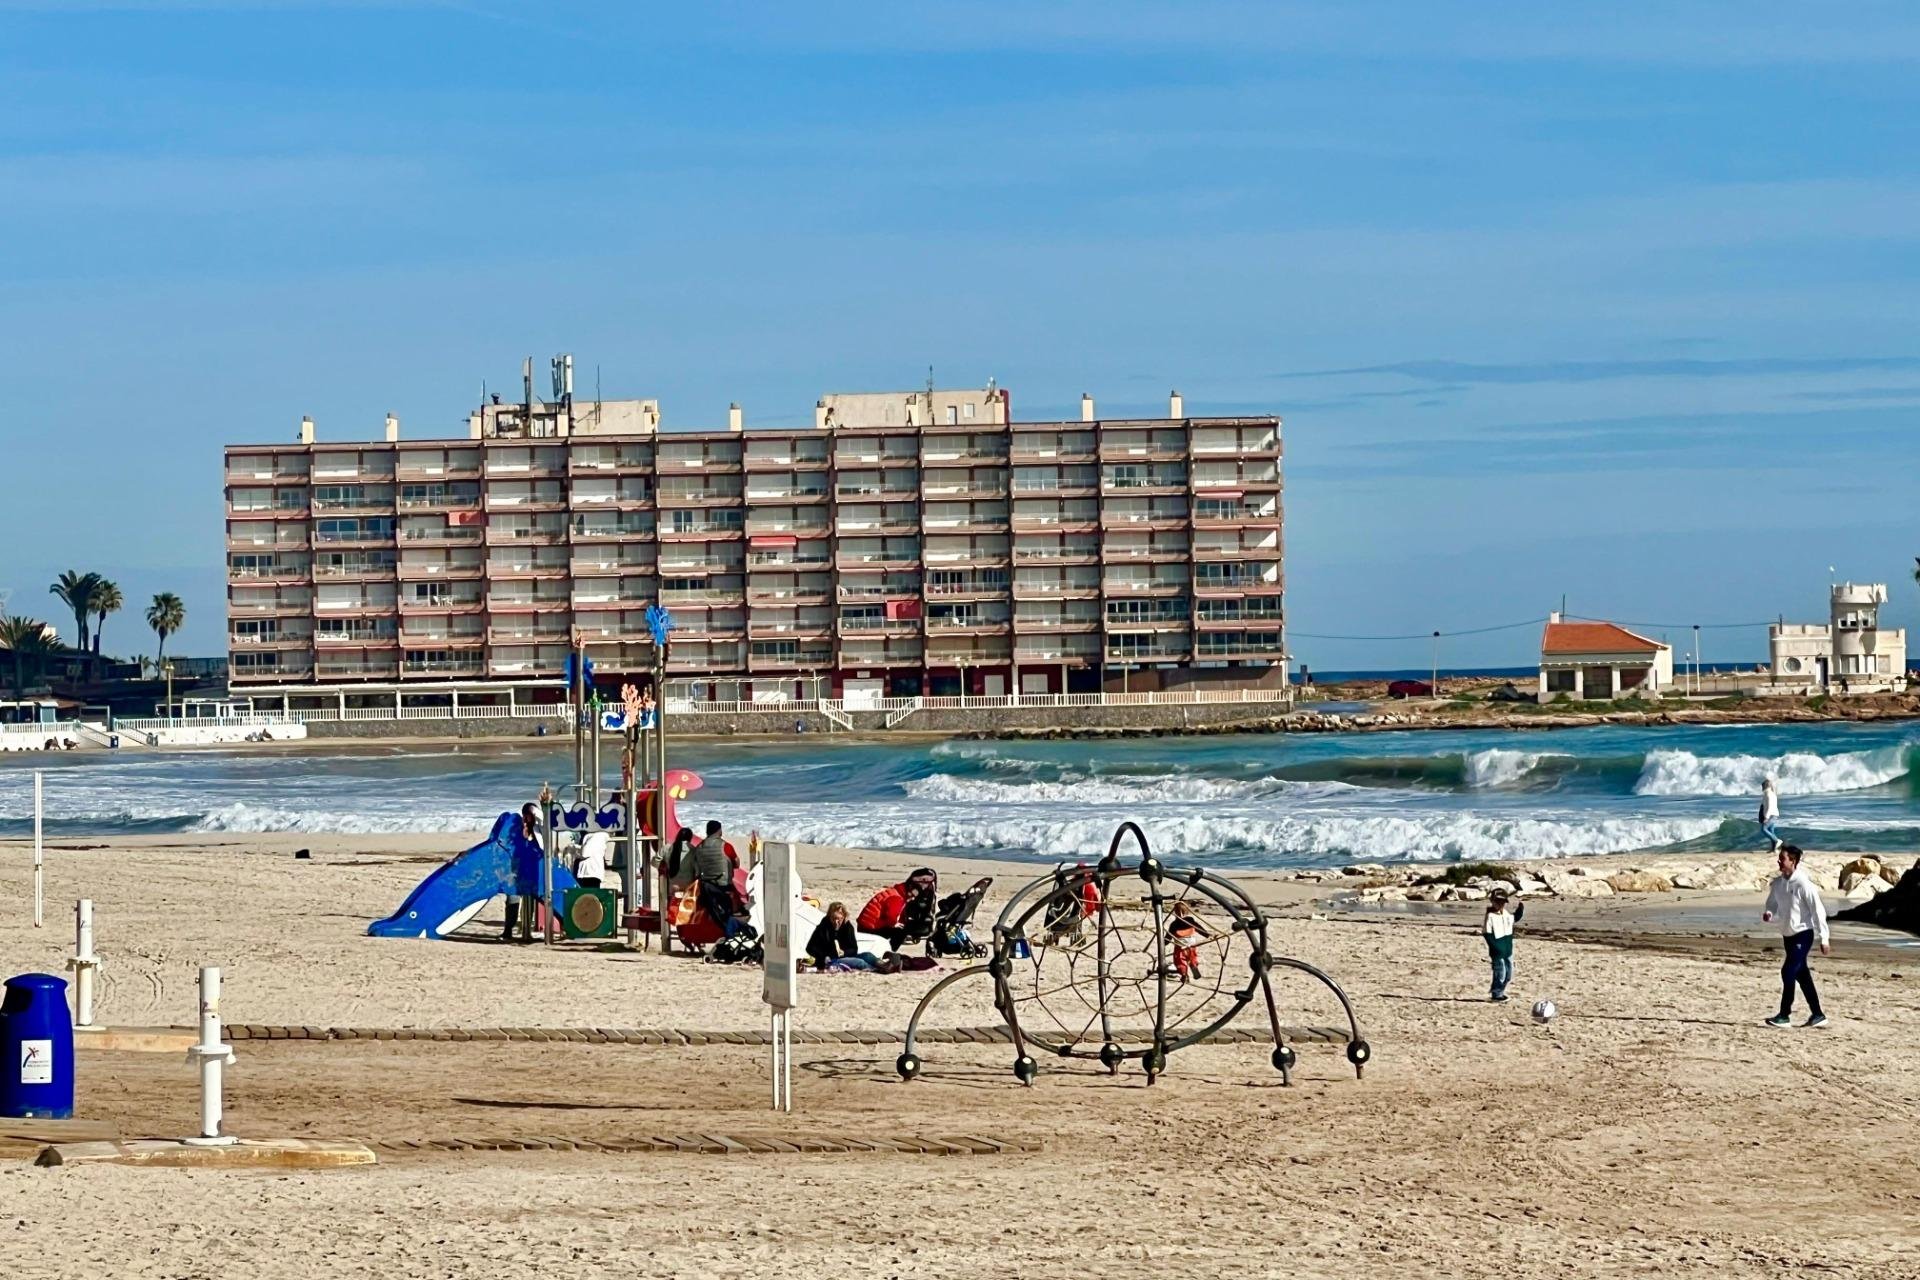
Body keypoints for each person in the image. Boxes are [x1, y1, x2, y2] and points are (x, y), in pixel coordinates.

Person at [1762, 844, 1830, 1029]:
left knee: (1787, 971)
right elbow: (1772, 903)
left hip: (1803, 934)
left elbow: (1818, 911)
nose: (1779, 861)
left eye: (1782, 859)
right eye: (1779, 858)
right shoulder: (1777, 883)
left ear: (1793, 861)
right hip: (1788, 935)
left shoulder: (1803, 884)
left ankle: (1784, 1015)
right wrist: (1769, 912)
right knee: (1802, 975)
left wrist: (1824, 938)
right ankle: (1817, 1014)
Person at [858, 868, 939, 951]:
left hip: (864, 925)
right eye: (912, 896)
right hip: (869, 929)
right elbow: (891, 915)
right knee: (900, 932)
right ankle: (888, 951)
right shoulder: (897, 898)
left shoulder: (894, 891)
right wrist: (894, 924)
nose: (913, 898)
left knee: (900, 927)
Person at [502, 802, 542, 941]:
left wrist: (536, 813)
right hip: (516, 868)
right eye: (525, 815)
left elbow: (546, 823)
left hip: (531, 869)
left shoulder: (538, 830)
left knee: (529, 901)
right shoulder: (516, 829)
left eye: (529, 815)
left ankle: (526, 930)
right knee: (512, 899)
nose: (526, 818)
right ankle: (508, 929)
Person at [807, 902, 882, 972]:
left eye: (839, 919)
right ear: (829, 917)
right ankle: (875, 970)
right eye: (834, 918)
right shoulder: (822, 928)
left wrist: (844, 952)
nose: (837, 922)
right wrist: (823, 956)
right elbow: (810, 948)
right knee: (860, 962)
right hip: (832, 960)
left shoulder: (848, 927)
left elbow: (854, 948)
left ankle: (884, 965)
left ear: (844, 917)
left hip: (846, 956)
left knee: (868, 955)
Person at [1482, 889, 1524, 1002]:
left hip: (1507, 949)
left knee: (1509, 973)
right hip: (1497, 951)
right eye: (1497, 902)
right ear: (1492, 901)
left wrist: (1520, 909)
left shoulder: (1506, 914)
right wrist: (1495, 947)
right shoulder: (1490, 916)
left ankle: (1501, 991)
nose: (1500, 904)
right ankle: (1496, 993)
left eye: (1502, 902)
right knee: (1500, 973)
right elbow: (1487, 933)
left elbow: (1514, 918)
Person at [1166, 901, 1211, 982]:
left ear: (1175, 912)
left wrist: (1164, 943)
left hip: (1180, 948)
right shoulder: (1190, 920)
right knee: (1192, 957)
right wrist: (1207, 935)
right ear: (1187, 911)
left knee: (1180, 961)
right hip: (1191, 946)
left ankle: (1184, 975)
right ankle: (1193, 965)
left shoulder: (1174, 924)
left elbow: (1168, 937)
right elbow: (1199, 928)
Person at [1759, 776, 1782, 852]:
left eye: (1762, 786)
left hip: (1771, 815)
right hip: (1774, 814)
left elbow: (1769, 806)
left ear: (1764, 786)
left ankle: (1777, 841)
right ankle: (1774, 849)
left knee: (1764, 829)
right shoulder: (1772, 793)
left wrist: (1766, 817)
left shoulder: (1768, 794)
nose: (1761, 788)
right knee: (1771, 831)